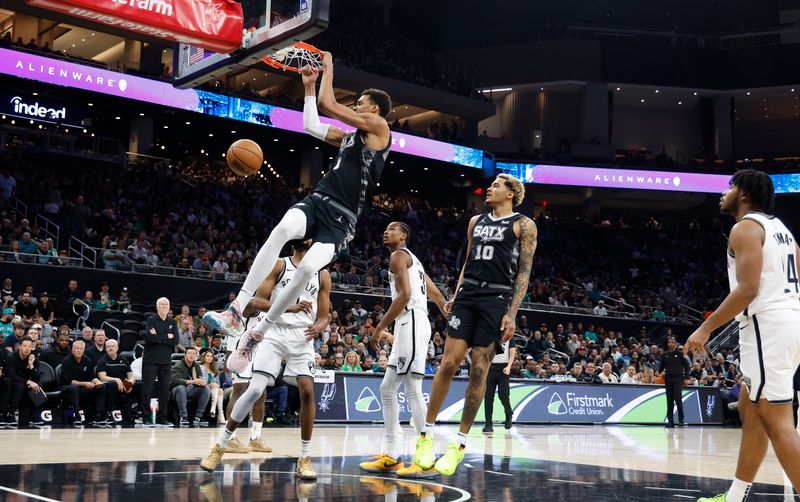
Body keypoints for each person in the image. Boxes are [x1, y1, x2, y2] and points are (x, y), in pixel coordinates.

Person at [204, 50, 391, 374]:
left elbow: (329, 105)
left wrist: (328, 68)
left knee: (307, 272)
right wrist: (307, 87)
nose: (356, 105)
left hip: (342, 219)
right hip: (319, 200)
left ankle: (257, 333)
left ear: (373, 108)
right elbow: (310, 124)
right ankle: (236, 309)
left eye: (360, 102)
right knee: (281, 231)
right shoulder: (349, 139)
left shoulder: (379, 127)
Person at [686, 170, 800, 502]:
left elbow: (749, 289)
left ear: (745, 194)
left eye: (730, 186)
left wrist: (706, 327)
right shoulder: (784, 232)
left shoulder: (745, 228)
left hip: (769, 326)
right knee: (752, 409)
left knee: (779, 423)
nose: (724, 192)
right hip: (787, 322)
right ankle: (735, 497)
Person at [413, 174, 537, 476]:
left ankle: (459, 443)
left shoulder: (524, 225)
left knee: (479, 368)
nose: (490, 189)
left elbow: (524, 272)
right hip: (469, 294)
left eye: (496, 186)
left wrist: (512, 312)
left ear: (511, 194)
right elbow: (467, 262)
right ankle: (425, 437)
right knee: (448, 362)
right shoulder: (475, 222)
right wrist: (456, 294)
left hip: (497, 297)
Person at [202, 239, 332, 480]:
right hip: (273, 333)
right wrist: (289, 307)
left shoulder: (323, 275)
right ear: (295, 242)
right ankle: (219, 446)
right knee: (254, 390)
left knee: (307, 392)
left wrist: (320, 327)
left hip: (302, 337)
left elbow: (325, 316)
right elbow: (256, 302)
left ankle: (304, 457)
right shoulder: (279, 265)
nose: (311, 238)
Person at [359, 222, 446, 478]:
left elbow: (405, 295)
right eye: (384, 228)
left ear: (404, 236)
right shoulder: (414, 261)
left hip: (411, 321)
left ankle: (426, 458)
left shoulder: (398, 256)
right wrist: (444, 309)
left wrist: (379, 328)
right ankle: (393, 455)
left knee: (412, 388)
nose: (386, 231)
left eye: (392, 228)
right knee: (387, 388)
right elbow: (433, 290)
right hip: (411, 323)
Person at [142, 297, 178, 426]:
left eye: (166, 304)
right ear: (157, 307)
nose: (164, 306)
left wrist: (159, 337)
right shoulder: (151, 320)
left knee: (164, 390)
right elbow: (150, 338)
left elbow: (175, 341)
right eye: (161, 304)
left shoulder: (173, 322)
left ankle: (162, 418)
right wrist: (166, 336)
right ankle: (146, 417)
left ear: (169, 307)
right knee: (147, 389)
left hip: (166, 361)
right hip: (150, 360)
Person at [95, 339, 135, 425]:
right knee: (112, 384)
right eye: (108, 346)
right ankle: (109, 413)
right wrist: (117, 380)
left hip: (124, 385)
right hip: (110, 386)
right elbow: (102, 377)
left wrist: (130, 383)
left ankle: (141, 414)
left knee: (140, 385)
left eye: (113, 346)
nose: (111, 348)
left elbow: (131, 376)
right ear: (106, 349)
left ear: (117, 348)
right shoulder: (102, 361)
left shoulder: (124, 360)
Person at [482, 339, 518, 433]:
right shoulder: (491, 337)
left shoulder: (510, 339)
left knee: (503, 395)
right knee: (488, 397)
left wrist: (509, 366)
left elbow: (512, 353)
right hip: (490, 368)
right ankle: (488, 423)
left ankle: (508, 412)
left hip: (504, 368)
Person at [169, 347, 211, 427]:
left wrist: (202, 381)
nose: (191, 355)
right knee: (181, 387)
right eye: (189, 353)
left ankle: (198, 416)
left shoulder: (196, 366)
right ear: (185, 355)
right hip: (176, 391)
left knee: (206, 389)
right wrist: (192, 381)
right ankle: (183, 417)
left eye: (193, 354)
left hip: (189, 390)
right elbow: (175, 380)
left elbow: (200, 377)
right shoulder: (179, 365)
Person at [661, 337, 690, 427]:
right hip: (668, 380)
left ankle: (681, 420)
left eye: (673, 342)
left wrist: (686, 378)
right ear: (667, 344)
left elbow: (687, 366)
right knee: (669, 401)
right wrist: (658, 371)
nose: (671, 343)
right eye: (669, 342)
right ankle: (670, 421)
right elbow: (661, 366)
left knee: (678, 399)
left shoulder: (680, 354)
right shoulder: (664, 355)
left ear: (676, 344)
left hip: (678, 380)